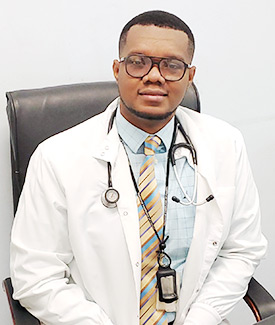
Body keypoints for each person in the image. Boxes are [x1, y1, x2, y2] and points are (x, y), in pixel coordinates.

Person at [10, 10, 267, 325]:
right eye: (138, 62)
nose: (154, 75)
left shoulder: (226, 144)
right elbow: (35, 276)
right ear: (118, 70)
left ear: (189, 77)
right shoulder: (56, 157)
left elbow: (241, 250)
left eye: (172, 65)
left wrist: (203, 316)